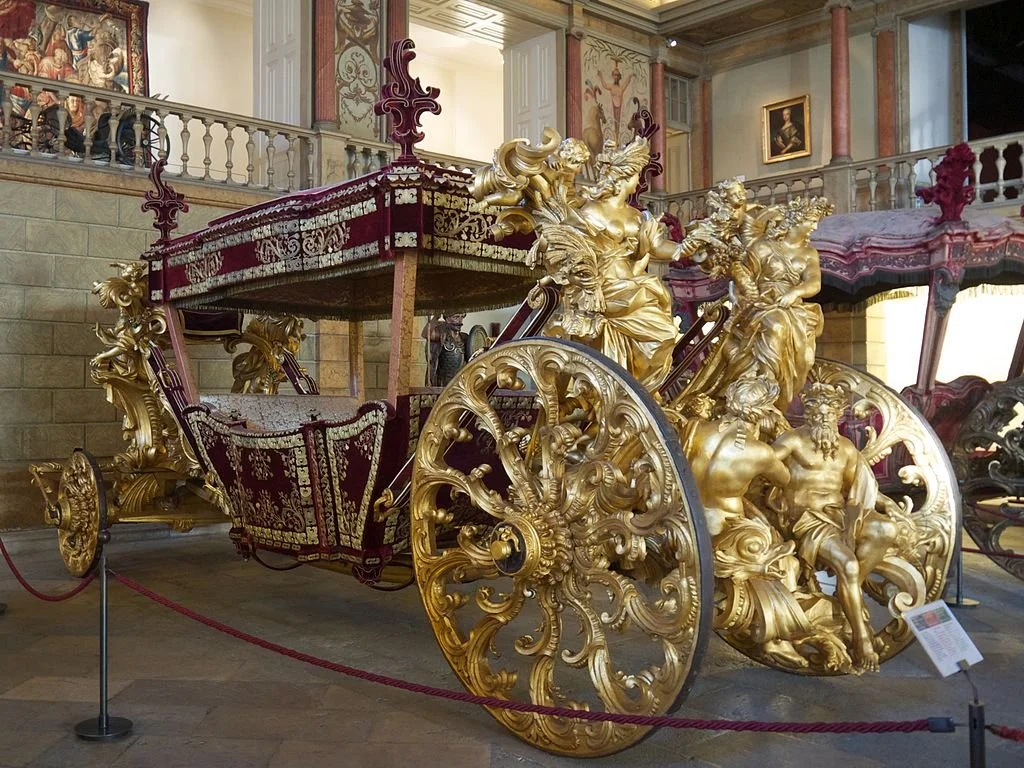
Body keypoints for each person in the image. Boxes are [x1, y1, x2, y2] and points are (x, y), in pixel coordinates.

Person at [771, 382, 900, 672]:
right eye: (817, 413)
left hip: (841, 514)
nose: (823, 419)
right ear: (809, 413)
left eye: (828, 415)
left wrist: (885, 504)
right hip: (806, 519)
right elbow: (763, 463)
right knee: (850, 566)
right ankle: (862, 636)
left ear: (837, 417)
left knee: (886, 530)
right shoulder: (791, 441)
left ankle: (845, 593)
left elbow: (860, 484)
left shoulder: (846, 448)